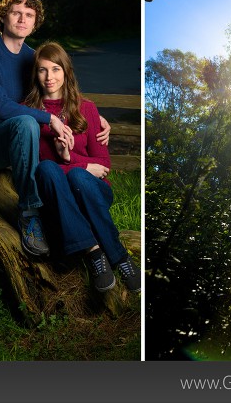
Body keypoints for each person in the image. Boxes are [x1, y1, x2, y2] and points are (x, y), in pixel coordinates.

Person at [0, 0, 109, 258]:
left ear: (35, 21)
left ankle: (71, 228)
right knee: (27, 124)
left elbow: (55, 89)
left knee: (31, 130)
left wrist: (94, 116)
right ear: (3, 17)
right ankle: (30, 213)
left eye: (28, 14)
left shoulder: (31, 57)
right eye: (15, 13)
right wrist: (48, 118)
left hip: (21, 140)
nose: (21, 19)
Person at [23, 42, 139, 293]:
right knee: (48, 170)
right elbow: (41, 169)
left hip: (91, 191)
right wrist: (71, 160)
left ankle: (118, 259)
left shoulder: (87, 108)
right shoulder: (29, 115)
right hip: (56, 194)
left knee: (77, 176)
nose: (49, 77)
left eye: (55, 69)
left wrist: (74, 163)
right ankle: (97, 253)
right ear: (36, 74)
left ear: (66, 71)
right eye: (42, 70)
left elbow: (104, 166)